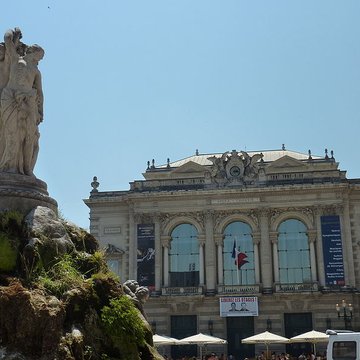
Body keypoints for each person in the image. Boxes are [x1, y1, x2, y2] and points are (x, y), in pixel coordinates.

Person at [0, 28, 44, 176]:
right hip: (10, 98)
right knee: (11, 134)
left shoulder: (36, 72)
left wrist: (40, 110)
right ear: (32, 52)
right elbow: (7, 40)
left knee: (29, 137)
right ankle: (9, 167)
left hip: (29, 101)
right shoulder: (15, 59)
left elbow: (39, 91)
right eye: (40, 55)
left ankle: (26, 169)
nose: (40, 59)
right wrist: (13, 33)